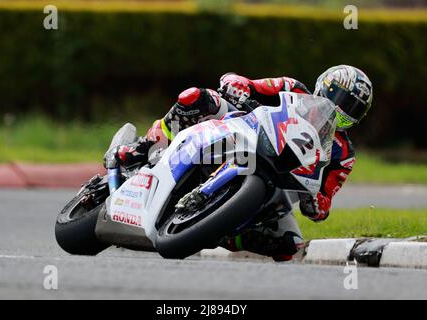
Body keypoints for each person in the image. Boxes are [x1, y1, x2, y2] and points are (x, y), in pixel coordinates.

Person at [104, 65, 373, 261]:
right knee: (198, 97)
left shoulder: (344, 154)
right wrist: (238, 84)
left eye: (351, 110)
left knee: (288, 244)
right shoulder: (293, 88)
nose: (341, 111)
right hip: (246, 131)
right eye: (339, 100)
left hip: (279, 183)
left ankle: (220, 230)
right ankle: (141, 148)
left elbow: (325, 199)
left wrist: (317, 205)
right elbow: (252, 84)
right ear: (324, 88)